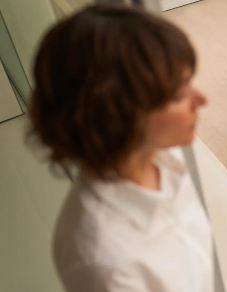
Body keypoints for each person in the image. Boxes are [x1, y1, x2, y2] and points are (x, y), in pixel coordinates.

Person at [28, 4, 213, 292]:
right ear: (119, 114)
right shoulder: (103, 258)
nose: (202, 99)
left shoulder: (165, 156)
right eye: (178, 94)